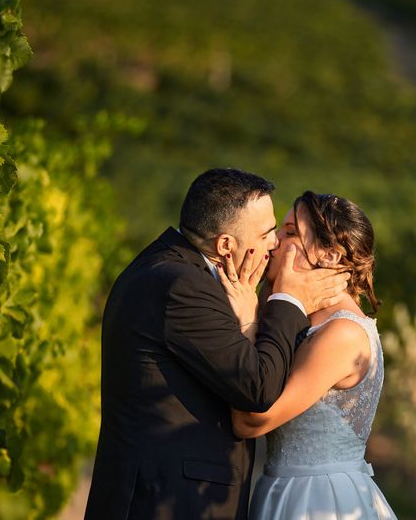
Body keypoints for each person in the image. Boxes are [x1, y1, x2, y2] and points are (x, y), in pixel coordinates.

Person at [85, 169, 350, 520]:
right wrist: (289, 300)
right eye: (267, 233)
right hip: (166, 503)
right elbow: (258, 388)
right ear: (225, 244)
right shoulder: (182, 285)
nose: (274, 244)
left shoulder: (170, 268)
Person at [220, 191, 397, 519]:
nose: (273, 242)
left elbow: (251, 420)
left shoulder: (341, 334)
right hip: (283, 490)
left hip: (320, 501)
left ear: (330, 255)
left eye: (289, 233)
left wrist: (246, 322)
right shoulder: (298, 321)